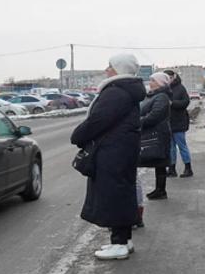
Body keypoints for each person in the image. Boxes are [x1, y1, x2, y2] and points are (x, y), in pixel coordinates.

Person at [71, 53, 145, 261]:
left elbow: (98, 120)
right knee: (122, 192)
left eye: (110, 66)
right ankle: (124, 239)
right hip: (121, 150)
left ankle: (119, 243)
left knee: (113, 195)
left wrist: (77, 136)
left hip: (114, 152)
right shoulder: (125, 90)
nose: (106, 70)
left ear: (119, 69)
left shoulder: (116, 92)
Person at [140, 72, 173, 201]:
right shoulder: (154, 96)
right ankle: (159, 189)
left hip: (159, 133)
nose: (150, 83)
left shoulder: (162, 97)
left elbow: (155, 115)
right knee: (159, 163)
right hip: (156, 133)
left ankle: (161, 190)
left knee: (160, 161)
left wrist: (139, 121)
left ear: (160, 83)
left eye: (153, 80)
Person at [163, 69, 193, 178]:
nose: (167, 80)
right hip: (168, 122)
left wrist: (172, 103)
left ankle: (188, 168)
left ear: (173, 77)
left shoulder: (180, 88)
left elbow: (186, 102)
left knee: (182, 146)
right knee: (171, 147)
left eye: (169, 78)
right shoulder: (165, 89)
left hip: (179, 122)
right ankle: (172, 169)